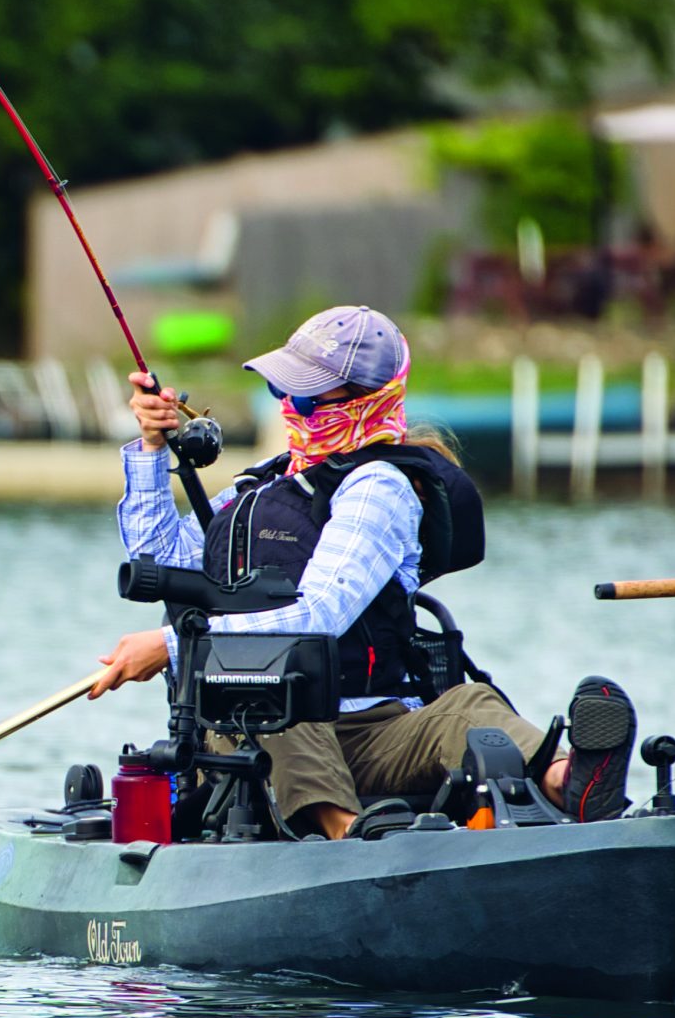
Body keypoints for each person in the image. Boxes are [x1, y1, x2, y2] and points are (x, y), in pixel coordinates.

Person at [89, 305, 637, 839]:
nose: (287, 406)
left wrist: (172, 646)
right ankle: (351, 834)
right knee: (272, 692)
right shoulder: (254, 490)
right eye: (283, 391)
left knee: (467, 706)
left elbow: (319, 616)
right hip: (259, 730)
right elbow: (157, 562)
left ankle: (574, 782)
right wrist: (151, 449)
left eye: (302, 394)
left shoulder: (380, 487)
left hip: (380, 730)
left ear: (365, 400)